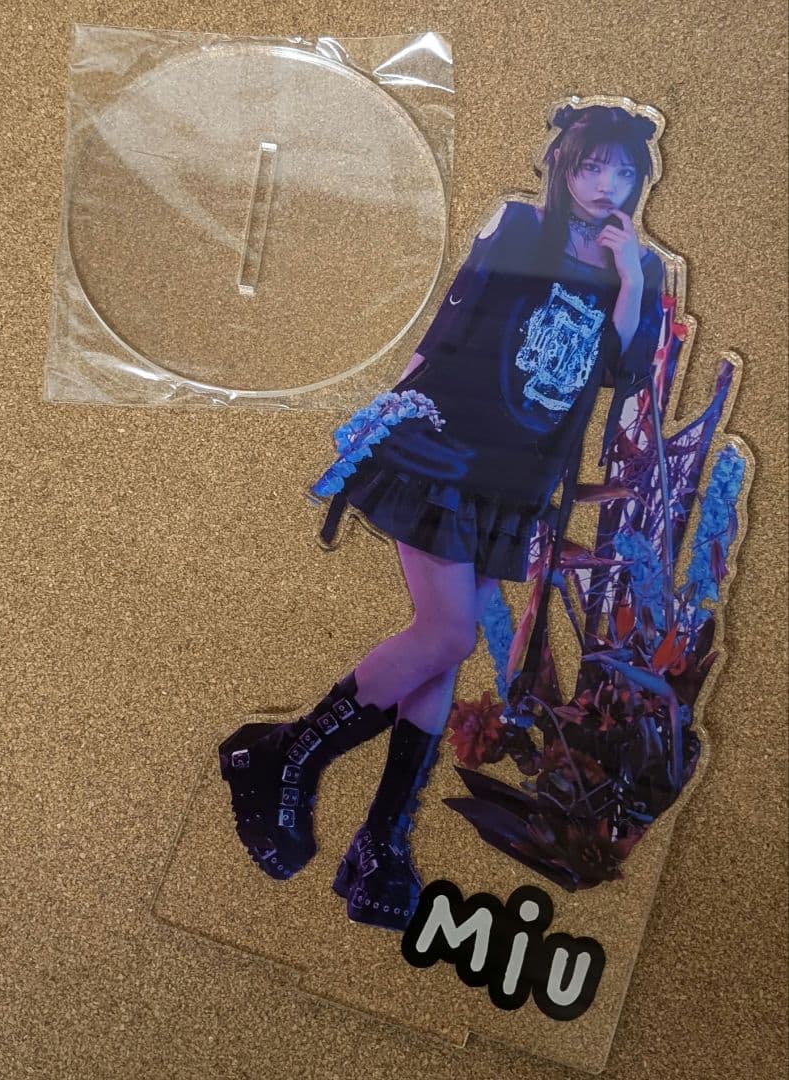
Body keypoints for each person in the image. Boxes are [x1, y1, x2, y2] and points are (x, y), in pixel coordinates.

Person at [219, 99, 667, 932]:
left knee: (444, 642)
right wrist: (388, 413)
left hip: (518, 478)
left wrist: (631, 279)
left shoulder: (637, 265)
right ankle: (287, 756)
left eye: (622, 171)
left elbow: (622, 373)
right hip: (447, 449)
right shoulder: (519, 228)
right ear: (563, 167)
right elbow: (449, 322)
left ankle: (380, 837)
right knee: (448, 633)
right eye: (591, 166)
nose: (606, 184)